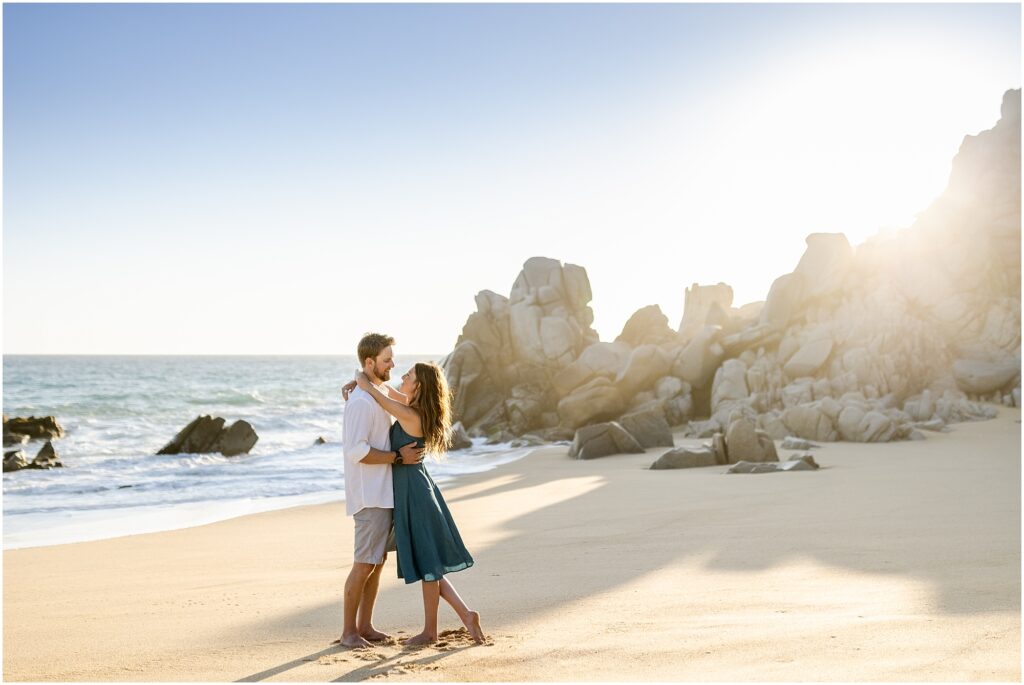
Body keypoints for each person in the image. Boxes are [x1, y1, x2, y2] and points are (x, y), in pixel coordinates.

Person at [348, 361, 485, 646]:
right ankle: (466, 615)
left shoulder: (411, 414)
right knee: (429, 563)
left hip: (415, 494)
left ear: (418, 386)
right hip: (414, 489)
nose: (402, 376)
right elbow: (385, 391)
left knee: (428, 565)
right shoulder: (413, 407)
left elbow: (380, 397)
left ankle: (431, 633)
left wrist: (362, 381)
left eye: (408, 375)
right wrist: (362, 379)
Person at [338, 333, 424, 649]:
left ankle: (365, 626)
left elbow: (385, 391)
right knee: (364, 563)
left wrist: (359, 378)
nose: (393, 364)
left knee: (377, 562)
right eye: (387, 359)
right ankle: (349, 632)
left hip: (383, 493)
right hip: (368, 495)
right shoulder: (361, 403)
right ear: (371, 361)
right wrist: (398, 457)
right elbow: (356, 451)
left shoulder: (374, 392)